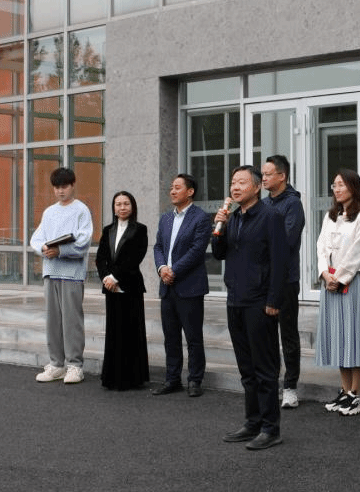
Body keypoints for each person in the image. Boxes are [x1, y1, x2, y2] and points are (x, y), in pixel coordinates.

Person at [211, 165, 288, 451]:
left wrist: (274, 301)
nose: (235, 187)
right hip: (236, 300)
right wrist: (218, 228)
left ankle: (270, 428)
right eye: (233, 182)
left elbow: (280, 261)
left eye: (242, 182)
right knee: (246, 369)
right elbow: (219, 253)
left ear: (257, 187)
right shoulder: (232, 218)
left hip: (259, 302)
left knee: (264, 368)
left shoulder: (270, 216)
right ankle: (252, 422)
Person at [316, 169, 360, 416]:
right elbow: (321, 246)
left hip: (352, 283)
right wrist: (325, 274)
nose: (337, 189)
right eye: (334, 185)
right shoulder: (331, 216)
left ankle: (356, 393)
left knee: (354, 335)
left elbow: (358, 250)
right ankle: (344, 391)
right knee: (339, 336)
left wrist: (341, 277)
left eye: (341, 184)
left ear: (354, 187)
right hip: (330, 282)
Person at [29, 167, 94, 385]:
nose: (60, 191)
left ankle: (75, 366)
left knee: (71, 320)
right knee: (53, 321)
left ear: (73, 185)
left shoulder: (81, 210)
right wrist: (44, 249)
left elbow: (83, 241)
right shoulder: (49, 212)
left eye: (64, 186)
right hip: (51, 271)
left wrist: (61, 251)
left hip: (72, 273)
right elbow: (36, 238)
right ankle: (56, 364)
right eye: (56, 187)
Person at [152, 174, 213, 398]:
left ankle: (195, 380)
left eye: (177, 187)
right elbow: (158, 247)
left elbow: (197, 251)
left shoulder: (201, 218)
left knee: (193, 337)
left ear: (190, 191)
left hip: (189, 286)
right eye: (171, 187)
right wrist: (162, 269)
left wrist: (173, 270)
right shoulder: (166, 218)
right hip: (167, 286)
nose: (172, 191)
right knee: (171, 337)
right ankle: (172, 379)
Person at [261, 154, 305, 409]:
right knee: (266, 335)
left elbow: (286, 242)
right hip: (262, 280)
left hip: (286, 280)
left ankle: (290, 387)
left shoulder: (293, 204)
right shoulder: (263, 204)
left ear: (282, 176)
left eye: (268, 174)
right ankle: (270, 382)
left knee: (287, 334)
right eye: (262, 174)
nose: (264, 178)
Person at [95, 191, 150, 391]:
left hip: (130, 286)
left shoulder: (140, 229)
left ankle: (132, 378)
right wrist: (106, 278)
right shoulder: (108, 230)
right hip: (111, 288)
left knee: (131, 332)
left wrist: (115, 277)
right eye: (118, 204)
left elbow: (134, 258)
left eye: (126, 203)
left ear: (132, 206)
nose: (122, 207)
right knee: (114, 332)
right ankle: (113, 378)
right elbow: (100, 258)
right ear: (114, 207)